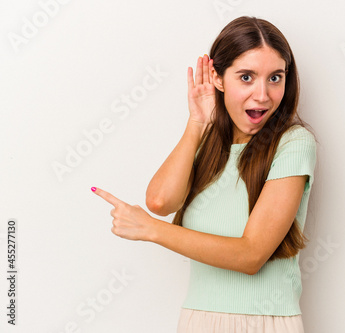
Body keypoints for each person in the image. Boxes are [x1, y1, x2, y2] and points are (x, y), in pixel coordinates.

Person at [92, 16, 317, 333]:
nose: (263, 94)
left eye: (275, 78)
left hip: (263, 323)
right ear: (218, 78)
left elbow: (251, 255)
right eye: (247, 77)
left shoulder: (293, 144)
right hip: (198, 321)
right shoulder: (210, 144)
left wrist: (151, 230)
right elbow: (159, 201)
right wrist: (197, 123)